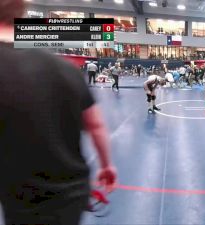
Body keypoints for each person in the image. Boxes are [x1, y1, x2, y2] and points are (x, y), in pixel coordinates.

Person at [0, 1, 117, 224]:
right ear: (21, 13)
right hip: (71, 193)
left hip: (22, 196)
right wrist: (106, 166)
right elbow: (95, 125)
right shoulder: (64, 68)